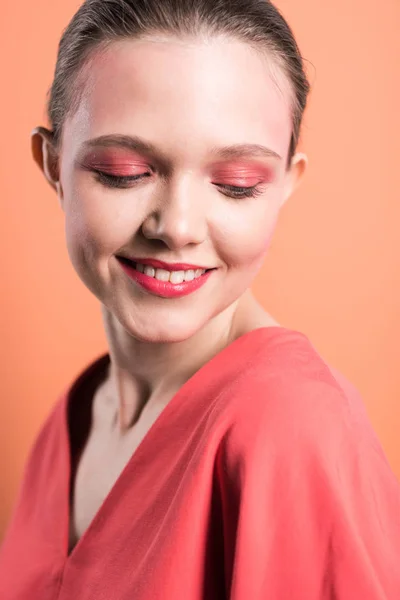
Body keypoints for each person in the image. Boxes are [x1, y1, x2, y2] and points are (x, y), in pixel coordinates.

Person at [1, 0, 400, 597]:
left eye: (236, 184)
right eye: (125, 170)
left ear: (285, 187)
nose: (178, 226)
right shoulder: (73, 418)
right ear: (53, 164)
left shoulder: (290, 426)